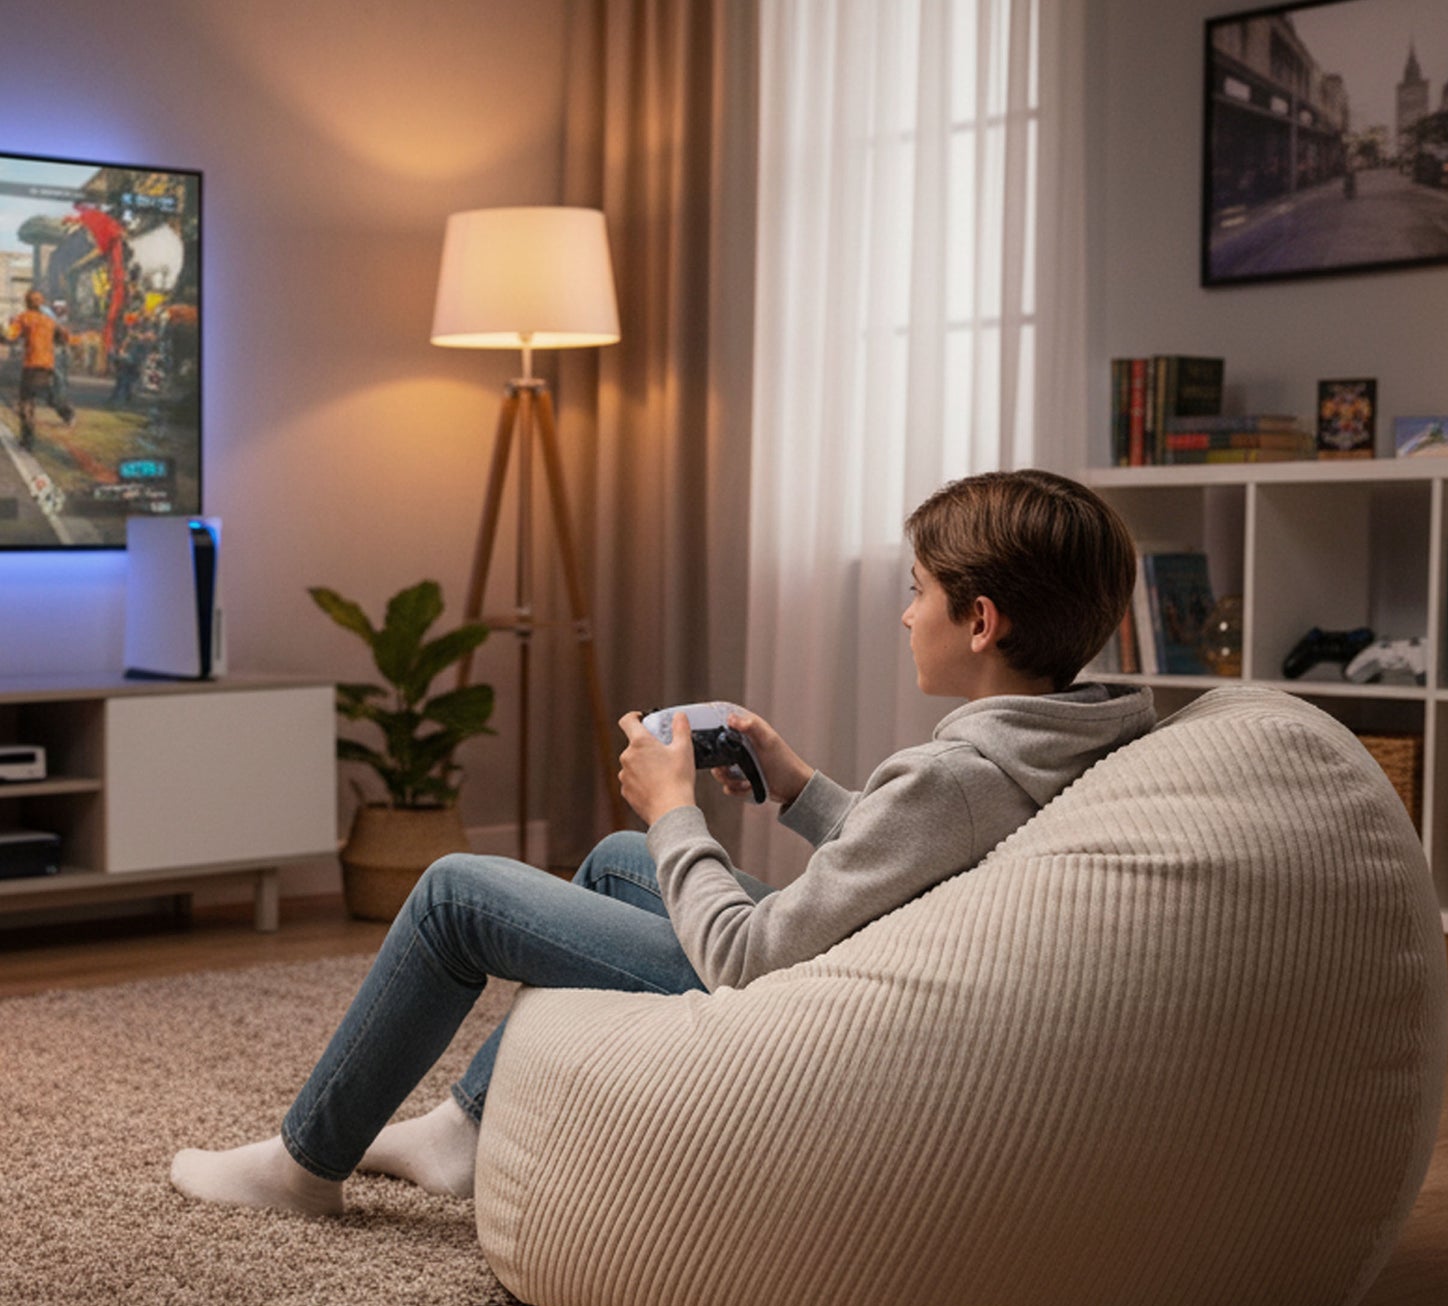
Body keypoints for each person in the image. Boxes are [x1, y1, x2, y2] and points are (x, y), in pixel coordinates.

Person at [171, 468, 1155, 1217]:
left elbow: (745, 955)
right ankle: (462, 1132)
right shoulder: (1070, 734)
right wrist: (796, 783)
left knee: (454, 893)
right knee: (610, 862)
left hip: (799, 1003)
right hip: (860, 960)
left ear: (979, 620)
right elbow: (910, 857)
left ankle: (302, 1164)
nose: (904, 613)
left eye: (918, 591)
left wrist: (675, 808)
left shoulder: (957, 773)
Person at [4, 289, 75, 449]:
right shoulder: (49, 321)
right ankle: (66, 412)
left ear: (26, 302)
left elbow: (10, 336)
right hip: (47, 364)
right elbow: (63, 338)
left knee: (27, 402)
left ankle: (28, 440)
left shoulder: (23, 318)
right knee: (45, 395)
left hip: (31, 365)